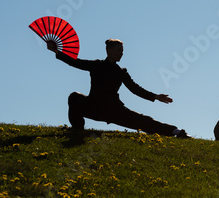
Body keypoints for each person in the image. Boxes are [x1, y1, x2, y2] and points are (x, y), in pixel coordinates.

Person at [47, 38, 191, 138]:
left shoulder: (121, 72)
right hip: (94, 107)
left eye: (122, 51)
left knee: (144, 121)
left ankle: (177, 132)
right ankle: (78, 130)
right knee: (74, 97)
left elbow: (135, 89)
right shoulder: (96, 65)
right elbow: (75, 62)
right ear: (108, 50)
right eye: (118, 50)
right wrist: (57, 52)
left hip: (114, 110)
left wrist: (155, 96)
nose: (121, 53)